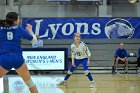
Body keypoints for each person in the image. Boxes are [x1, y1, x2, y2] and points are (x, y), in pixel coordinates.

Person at [0, 12, 38, 93]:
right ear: (15, 20)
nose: (19, 20)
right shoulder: (19, 29)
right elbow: (34, 41)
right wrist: (30, 30)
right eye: (18, 18)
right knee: (29, 82)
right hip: (18, 59)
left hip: (4, 58)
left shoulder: (0, 29)